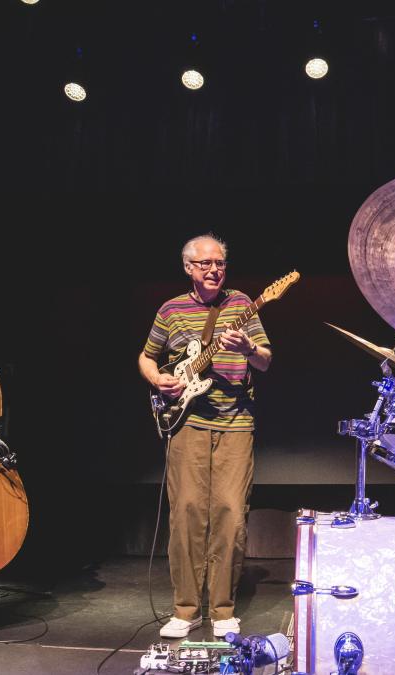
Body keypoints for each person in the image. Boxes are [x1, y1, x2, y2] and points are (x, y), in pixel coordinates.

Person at [138, 234, 273, 639]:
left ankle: (223, 609)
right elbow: (147, 355)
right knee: (187, 514)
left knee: (230, 514)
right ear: (188, 268)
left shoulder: (244, 305)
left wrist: (248, 346)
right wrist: (157, 378)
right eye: (205, 264)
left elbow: (265, 361)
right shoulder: (171, 310)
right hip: (188, 423)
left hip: (236, 423)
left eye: (220, 263)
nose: (214, 270)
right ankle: (185, 609)